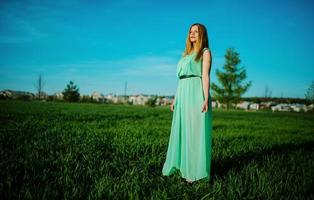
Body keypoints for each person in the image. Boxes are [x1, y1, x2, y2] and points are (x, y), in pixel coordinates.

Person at [162, 23, 213, 185]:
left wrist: (205, 98)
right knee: (182, 132)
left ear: (202, 35)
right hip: (183, 95)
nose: (192, 34)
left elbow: (205, 76)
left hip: (196, 94)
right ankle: (178, 166)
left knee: (193, 133)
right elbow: (181, 81)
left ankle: (193, 173)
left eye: (195, 32)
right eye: (190, 32)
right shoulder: (185, 55)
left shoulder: (205, 53)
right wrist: (175, 100)